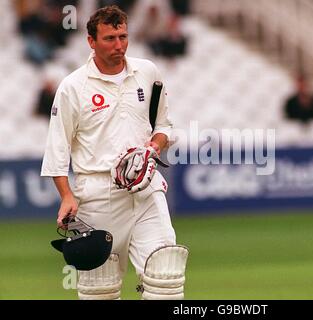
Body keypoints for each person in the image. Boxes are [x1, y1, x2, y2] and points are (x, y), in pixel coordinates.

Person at [41, 5, 188, 300]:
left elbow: (163, 125)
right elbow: (57, 149)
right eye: (109, 38)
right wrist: (67, 196)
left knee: (166, 279)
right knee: (101, 290)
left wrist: (152, 148)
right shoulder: (73, 87)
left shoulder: (147, 72)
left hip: (146, 190)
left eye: (123, 36)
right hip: (97, 195)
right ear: (91, 41)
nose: (118, 45)